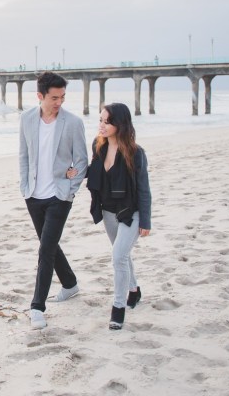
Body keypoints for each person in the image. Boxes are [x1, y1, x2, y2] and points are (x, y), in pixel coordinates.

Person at [19, 71, 88, 329]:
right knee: (49, 244)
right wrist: (25, 187)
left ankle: (37, 306)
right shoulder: (26, 119)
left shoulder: (73, 122)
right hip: (33, 195)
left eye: (62, 97)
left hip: (59, 196)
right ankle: (69, 283)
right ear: (40, 96)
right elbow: (23, 155)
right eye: (54, 98)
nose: (59, 102)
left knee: (45, 249)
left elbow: (81, 161)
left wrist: (70, 189)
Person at [86, 102, 151, 330]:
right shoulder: (98, 146)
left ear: (120, 124)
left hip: (131, 212)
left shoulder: (135, 153)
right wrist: (73, 172)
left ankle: (118, 308)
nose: (102, 126)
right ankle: (134, 290)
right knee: (121, 254)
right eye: (100, 120)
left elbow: (143, 189)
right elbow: (94, 172)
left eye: (107, 122)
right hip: (107, 211)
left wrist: (146, 221)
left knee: (118, 257)